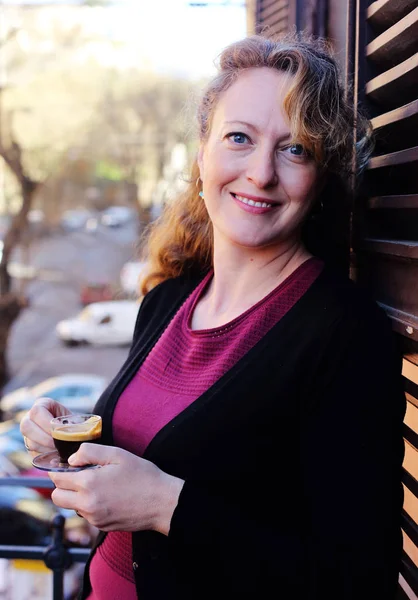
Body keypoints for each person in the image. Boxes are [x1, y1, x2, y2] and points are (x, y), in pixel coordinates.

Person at [20, 33, 406, 600]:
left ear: (320, 179)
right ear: (201, 155)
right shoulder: (168, 300)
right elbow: (169, 444)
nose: (261, 173)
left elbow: (356, 578)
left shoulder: (347, 337)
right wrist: (69, 440)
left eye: (295, 148)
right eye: (238, 138)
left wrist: (166, 507)